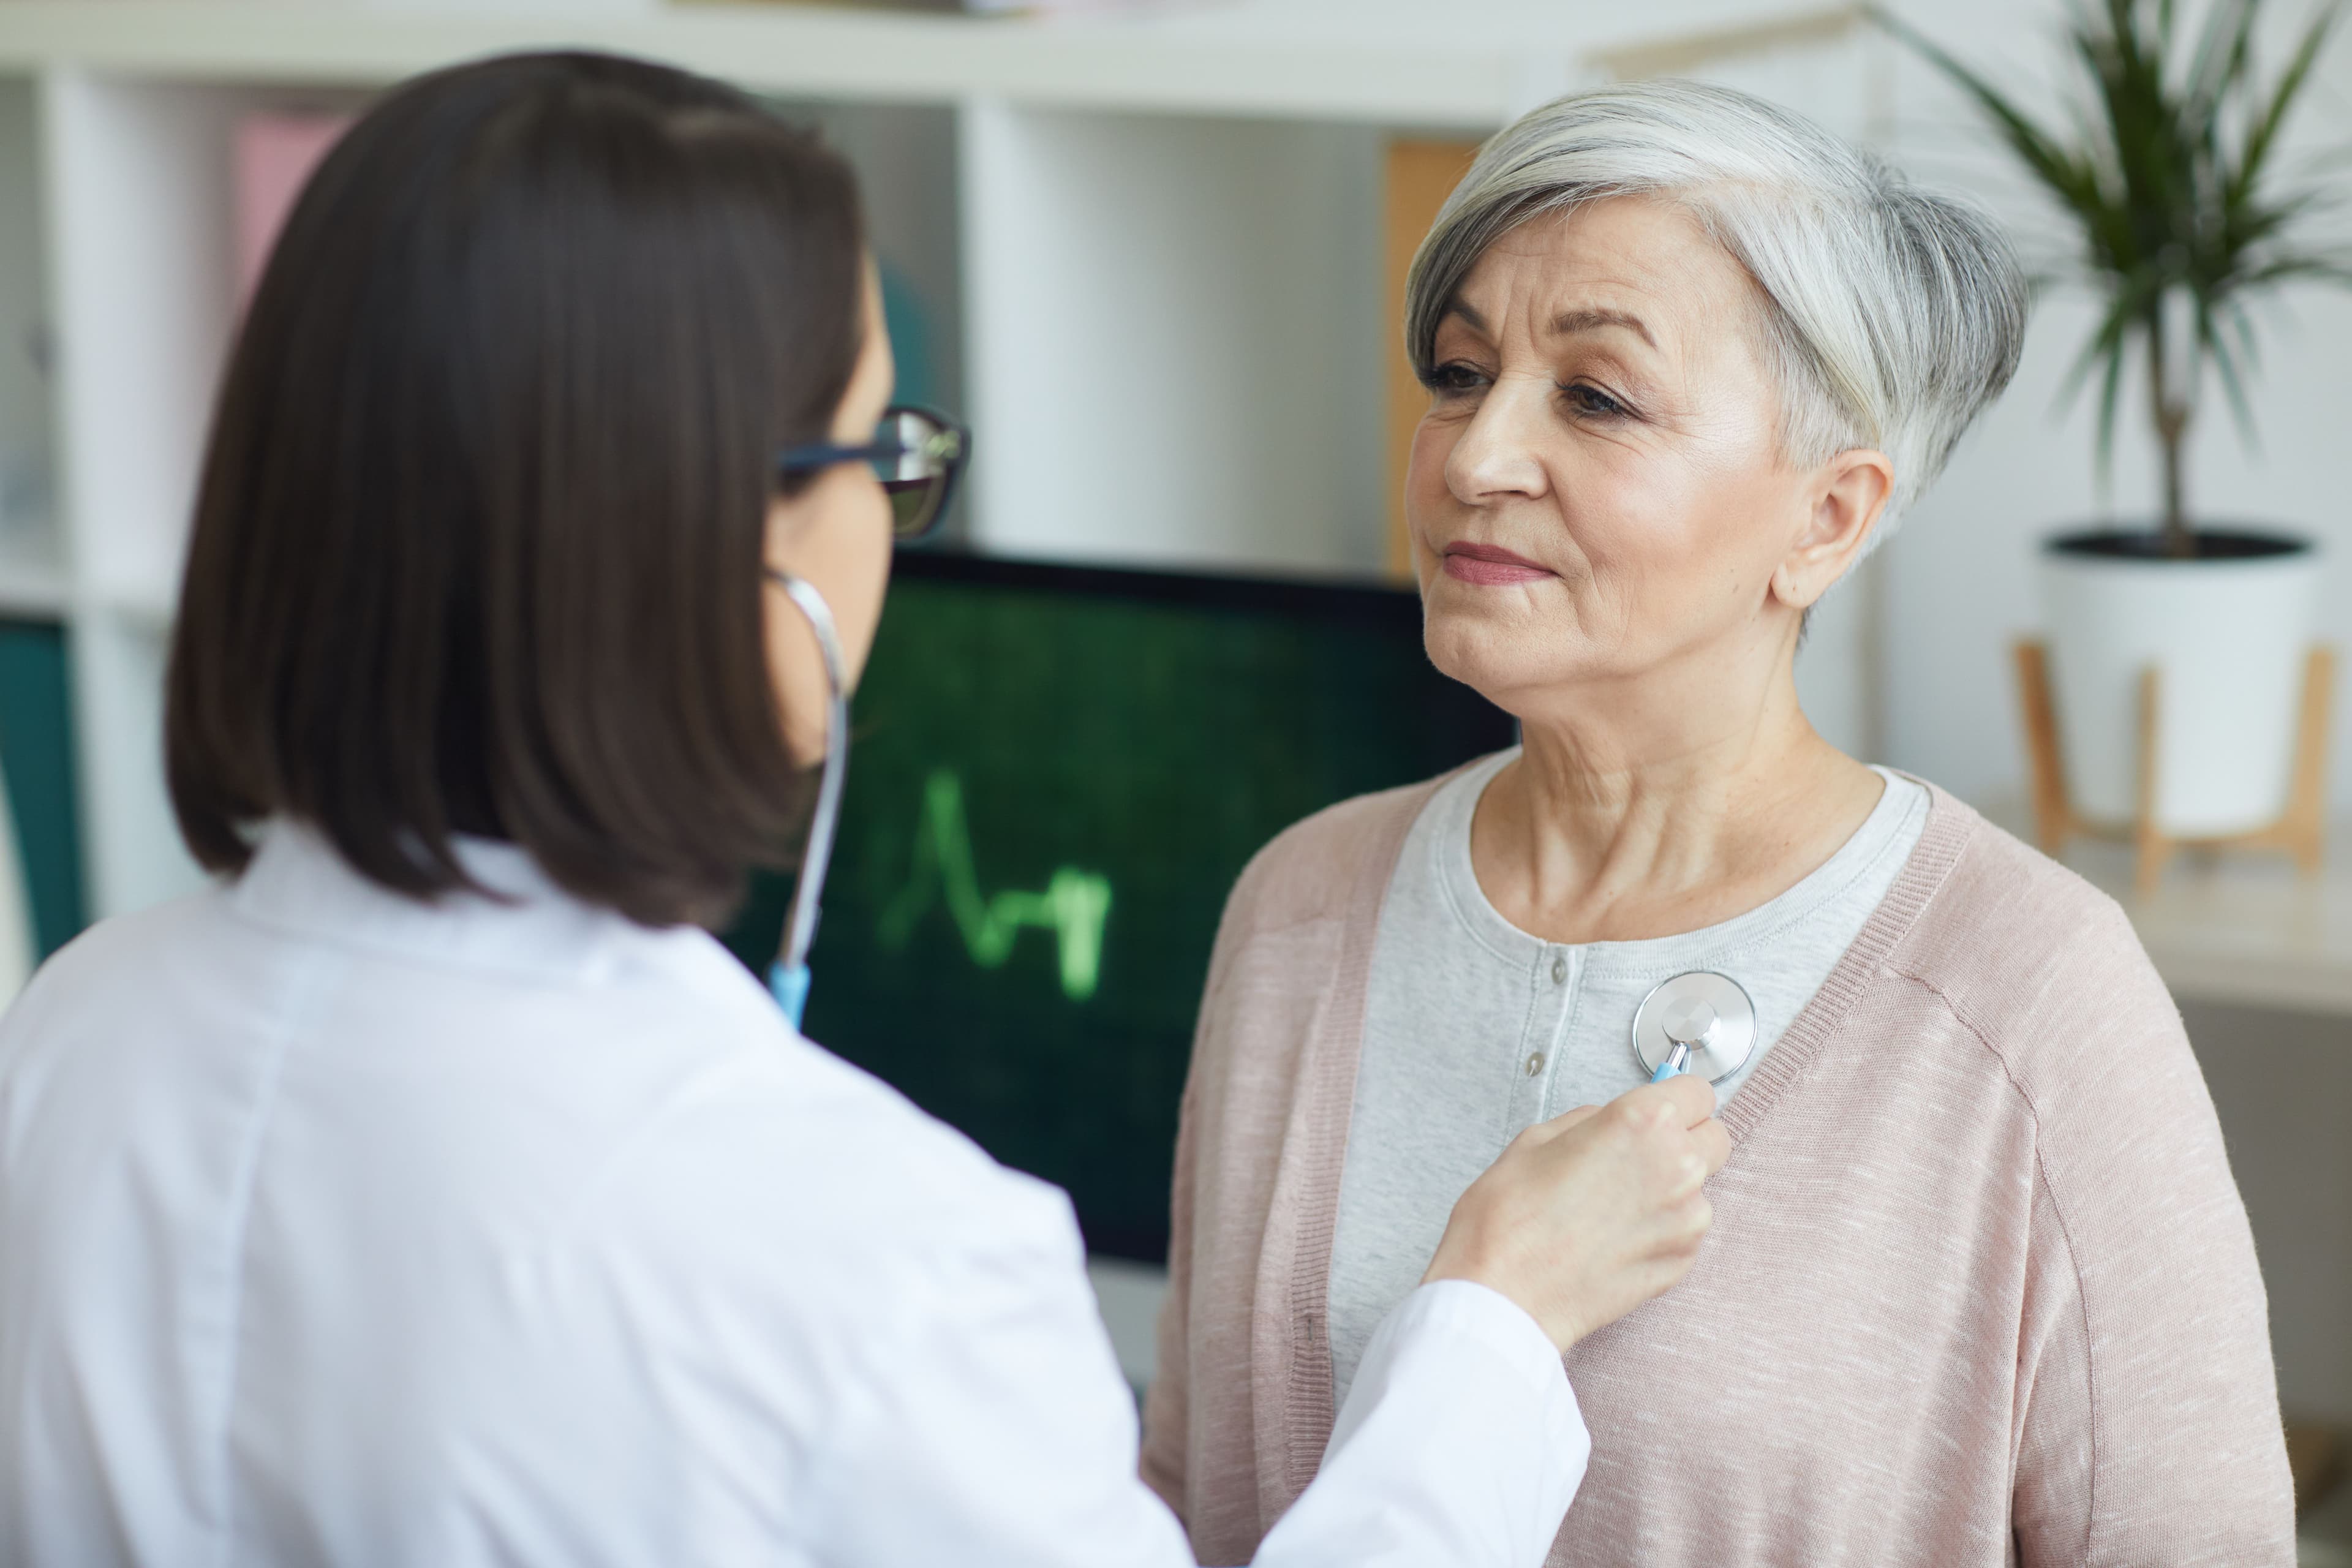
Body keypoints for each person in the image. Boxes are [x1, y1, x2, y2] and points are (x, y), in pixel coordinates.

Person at [0, 51, 1734, 1568]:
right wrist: (1495, 1326)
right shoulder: (873, 1263)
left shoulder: (74, 1033)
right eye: (883, 454)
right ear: (737, 548)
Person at [1140, 78, 2296, 1567]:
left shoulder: (2030, 990)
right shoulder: (1301, 909)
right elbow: (1180, 1496)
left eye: (1597, 394)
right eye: (1457, 369)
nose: (1475, 456)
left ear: (1827, 517)